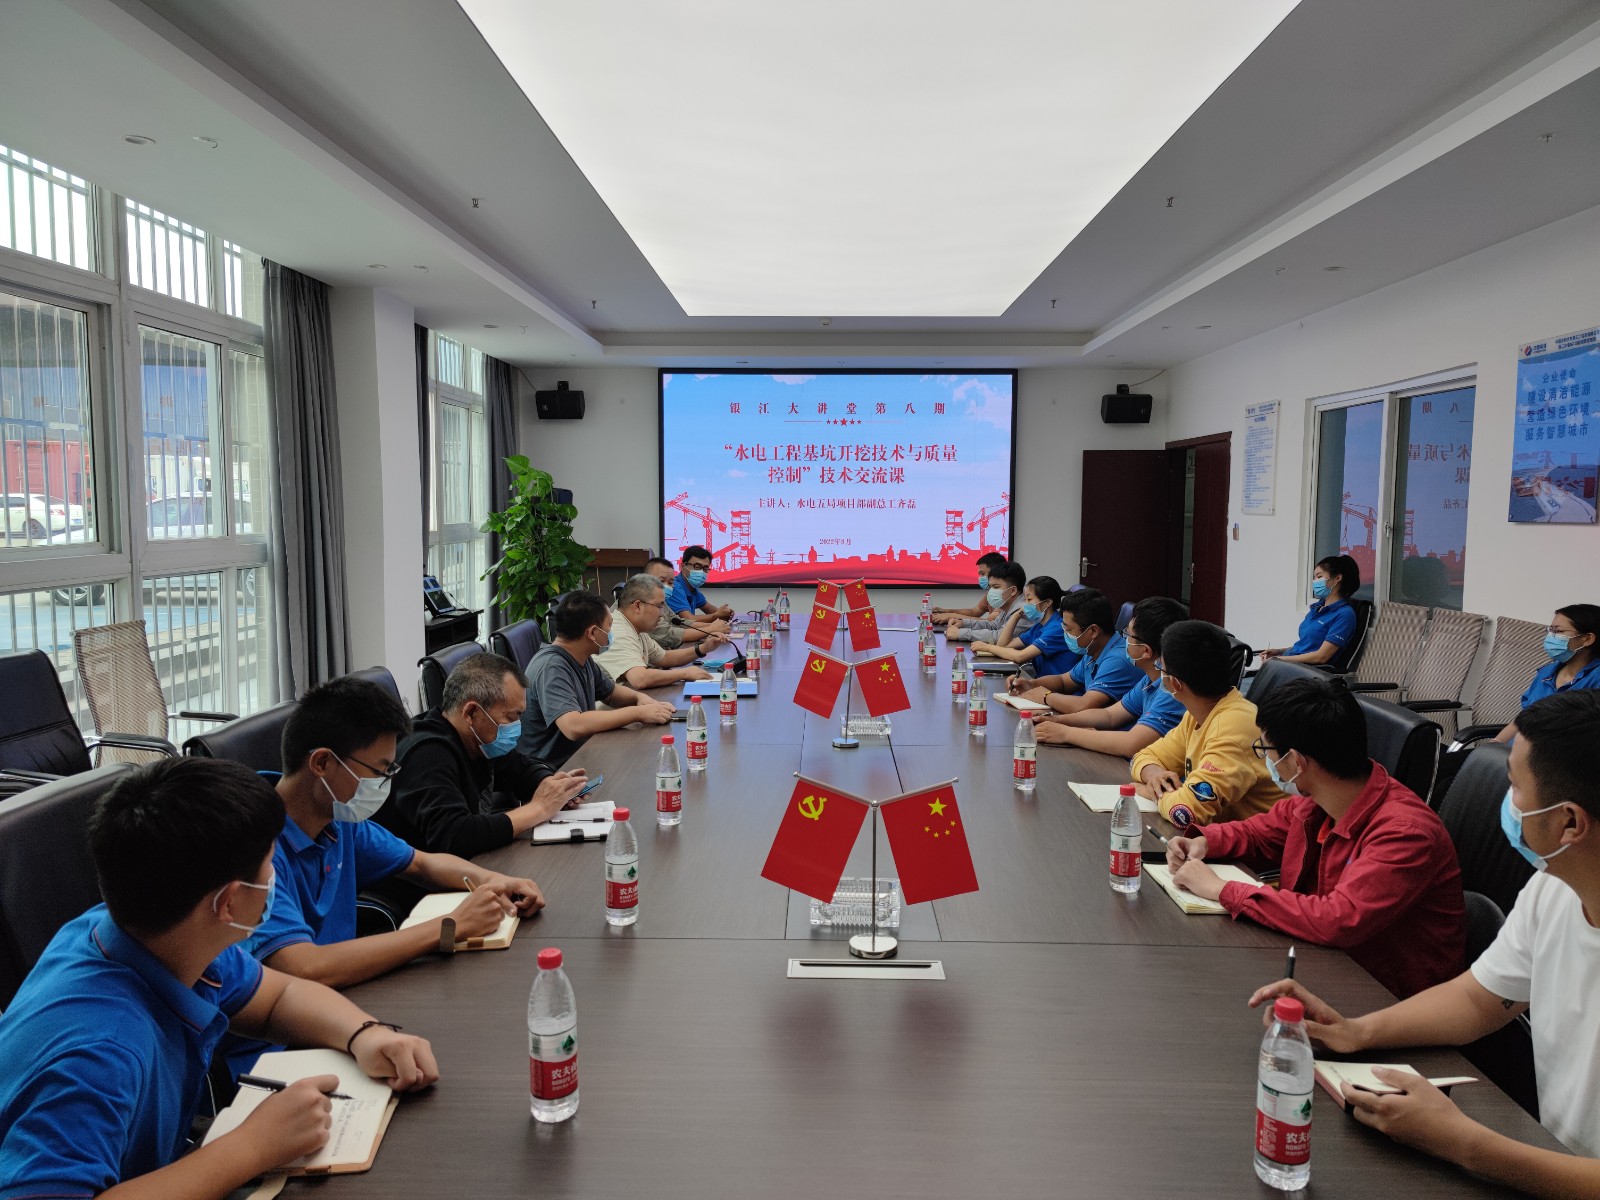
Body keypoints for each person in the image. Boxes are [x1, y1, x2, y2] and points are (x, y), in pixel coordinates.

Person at [0, 757, 438, 1200]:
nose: (274, 878)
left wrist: (364, 1034)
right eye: (270, 865)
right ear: (228, 902)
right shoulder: (98, 1055)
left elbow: (279, 996)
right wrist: (252, 1146)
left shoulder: (162, 937)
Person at [1246, 691, 1600, 1195]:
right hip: (1545, 1155)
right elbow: (1478, 999)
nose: (1507, 801)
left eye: (1515, 786)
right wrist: (1356, 1032)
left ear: (1569, 822)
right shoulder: (1553, 889)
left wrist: (1464, 1142)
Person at [1165, 677, 1464, 997]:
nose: (1267, 760)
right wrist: (1205, 841)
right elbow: (1258, 833)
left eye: (1266, 750)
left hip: (1385, 997)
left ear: (1295, 762)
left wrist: (1221, 889)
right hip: (1320, 961)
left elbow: (1337, 919)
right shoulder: (1320, 799)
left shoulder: (1405, 833)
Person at [250, 677, 547, 990]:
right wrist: (451, 926)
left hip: (344, 991)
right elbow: (305, 968)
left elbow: (421, 863)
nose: (383, 783)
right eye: (378, 771)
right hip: (304, 1004)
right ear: (322, 763)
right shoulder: (253, 848)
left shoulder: (336, 820)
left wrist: (494, 881)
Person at [376, 652, 588, 859]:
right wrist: (539, 808)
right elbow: (454, 837)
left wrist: (550, 785)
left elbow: (520, 768)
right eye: (511, 717)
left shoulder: (479, 741)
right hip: (416, 880)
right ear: (471, 713)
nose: (517, 726)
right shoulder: (426, 754)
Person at [1129, 619, 1285, 829]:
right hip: (1224, 836)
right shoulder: (1199, 714)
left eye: (1161, 667)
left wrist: (1153, 793)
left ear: (1174, 683)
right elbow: (1144, 756)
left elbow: (1187, 812)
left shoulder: (1233, 728)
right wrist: (1156, 776)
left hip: (1259, 847)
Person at [518, 590, 676, 766]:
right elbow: (573, 726)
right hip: (553, 771)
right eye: (609, 626)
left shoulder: (580, 656)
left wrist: (640, 699)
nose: (611, 632)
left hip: (580, 756)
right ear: (592, 633)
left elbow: (611, 693)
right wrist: (638, 713)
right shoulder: (552, 667)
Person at [1030, 596, 1189, 757]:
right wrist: (1057, 721)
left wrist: (1066, 733)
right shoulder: (1150, 678)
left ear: (1146, 651)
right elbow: (1109, 715)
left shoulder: (1172, 689)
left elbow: (1131, 744)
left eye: (1128, 635)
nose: (1124, 639)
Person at [1011, 587, 1140, 714]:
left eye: (1069, 630)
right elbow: (1064, 681)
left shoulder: (1117, 659)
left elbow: (1084, 705)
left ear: (1093, 631)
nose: (1066, 634)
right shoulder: (1094, 649)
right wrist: (1031, 684)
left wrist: (1045, 696)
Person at [1492, 603, 1600, 741]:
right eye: (1550, 630)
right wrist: (1494, 743)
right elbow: (1525, 717)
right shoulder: (1547, 672)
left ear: (1587, 639)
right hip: (1516, 749)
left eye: (1558, 631)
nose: (1551, 637)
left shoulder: (1596, 679)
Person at [597, 574, 717, 690]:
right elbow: (640, 679)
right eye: (659, 606)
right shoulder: (618, 631)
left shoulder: (636, 628)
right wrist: (685, 673)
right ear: (637, 606)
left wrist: (703, 648)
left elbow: (665, 658)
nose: (662, 614)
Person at [1258, 554, 1361, 666]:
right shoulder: (1317, 608)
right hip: (1289, 666)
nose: (1315, 581)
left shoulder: (1344, 614)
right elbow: (1306, 646)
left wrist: (1279, 660)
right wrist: (1280, 652)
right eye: (1314, 578)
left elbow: (1321, 657)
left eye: (1319, 576)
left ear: (1337, 578)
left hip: (1304, 671)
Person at [970, 575, 1076, 676]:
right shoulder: (1038, 626)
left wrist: (987, 647)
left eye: (1029, 600)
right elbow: (1002, 646)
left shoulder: (1057, 628)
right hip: (1042, 682)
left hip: (1056, 687)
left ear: (1048, 602)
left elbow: (1020, 656)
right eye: (1025, 600)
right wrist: (1015, 617)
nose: (1025, 605)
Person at [643, 556, 728, 652]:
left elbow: (680, 622)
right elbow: (669, 635)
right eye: (661, 581)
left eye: (670, 582)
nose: (666, 586)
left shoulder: (662, 602)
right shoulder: (644, 606)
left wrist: (714, 626)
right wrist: (710, 629)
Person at [947, 560, 1032, 644]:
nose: (991, 591)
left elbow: (1000, 637)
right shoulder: (1007, 606)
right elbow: (993, 626)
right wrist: (963, 623)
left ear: (1013, 590)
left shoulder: (1024, 609)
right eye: (990, 587)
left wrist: (961, 634)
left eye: (995, 587)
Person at [932, 551, 1009, 623]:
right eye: (979, 574)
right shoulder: (991, 592)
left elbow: (989, 623)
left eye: (982, 573)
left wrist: (951, 616)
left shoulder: (1006, 594)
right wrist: (945, 611)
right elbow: (974, 612)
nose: (980, 578)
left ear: (995, 571)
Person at [666, 545, 735, 623]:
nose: (701, 572)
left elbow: (708, 608)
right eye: (697, 567)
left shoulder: (692, 588)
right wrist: (716, 615)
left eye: (705, 568)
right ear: (683, 566)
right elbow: (688, 619)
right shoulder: (674, 587)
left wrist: (725, 613)